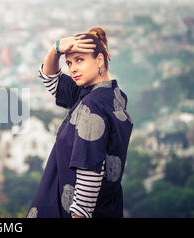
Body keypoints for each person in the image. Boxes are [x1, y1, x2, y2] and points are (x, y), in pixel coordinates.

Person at [27, 27, 133, 218]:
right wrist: (56, 49)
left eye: (80, 60)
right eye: (69, 63)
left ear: (99, 60)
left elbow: (88, 175)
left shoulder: (92, 107)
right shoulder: (106, 96)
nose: (72, 68)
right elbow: (50, 79)